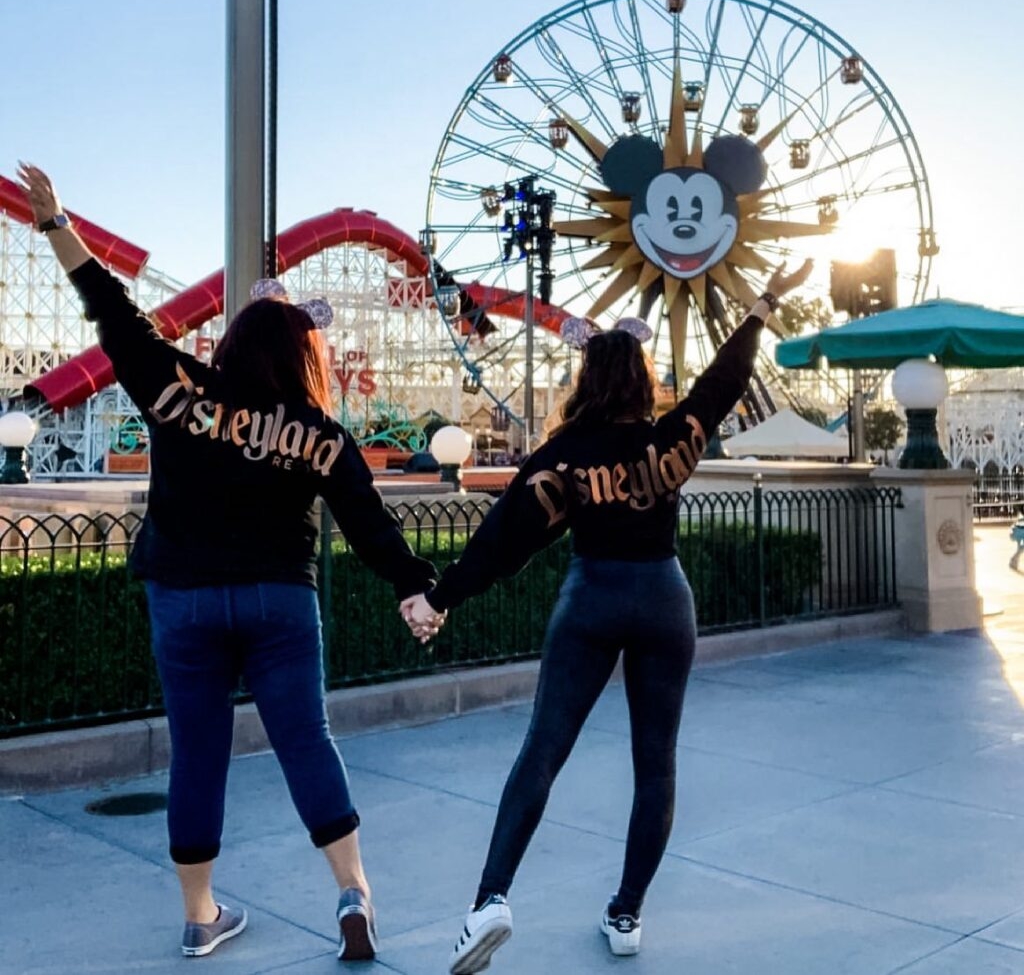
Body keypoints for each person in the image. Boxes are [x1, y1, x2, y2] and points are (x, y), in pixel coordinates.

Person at [17, 163, 443, 962]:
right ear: (304, 355)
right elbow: (372, 527)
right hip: (281, 600)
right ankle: (354, 891)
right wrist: (418, 588)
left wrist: (56, 226)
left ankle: (201, 915)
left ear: (232, 341)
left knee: (198, 753)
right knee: (307, 741)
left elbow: (115, 315)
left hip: (183, 597)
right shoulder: (323, 434)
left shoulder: (182, 388)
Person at [402, 259, 814, 974]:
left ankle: (490, 901)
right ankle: (626, 910)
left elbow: (505, 540)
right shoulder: (671, 440)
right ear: (641, 380)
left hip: (592, 598)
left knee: (543, 751)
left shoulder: (563, 456)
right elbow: (724, 379)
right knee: (655, 766)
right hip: (664, 596)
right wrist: (766, 302)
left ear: (587, 380)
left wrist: (440, 598)